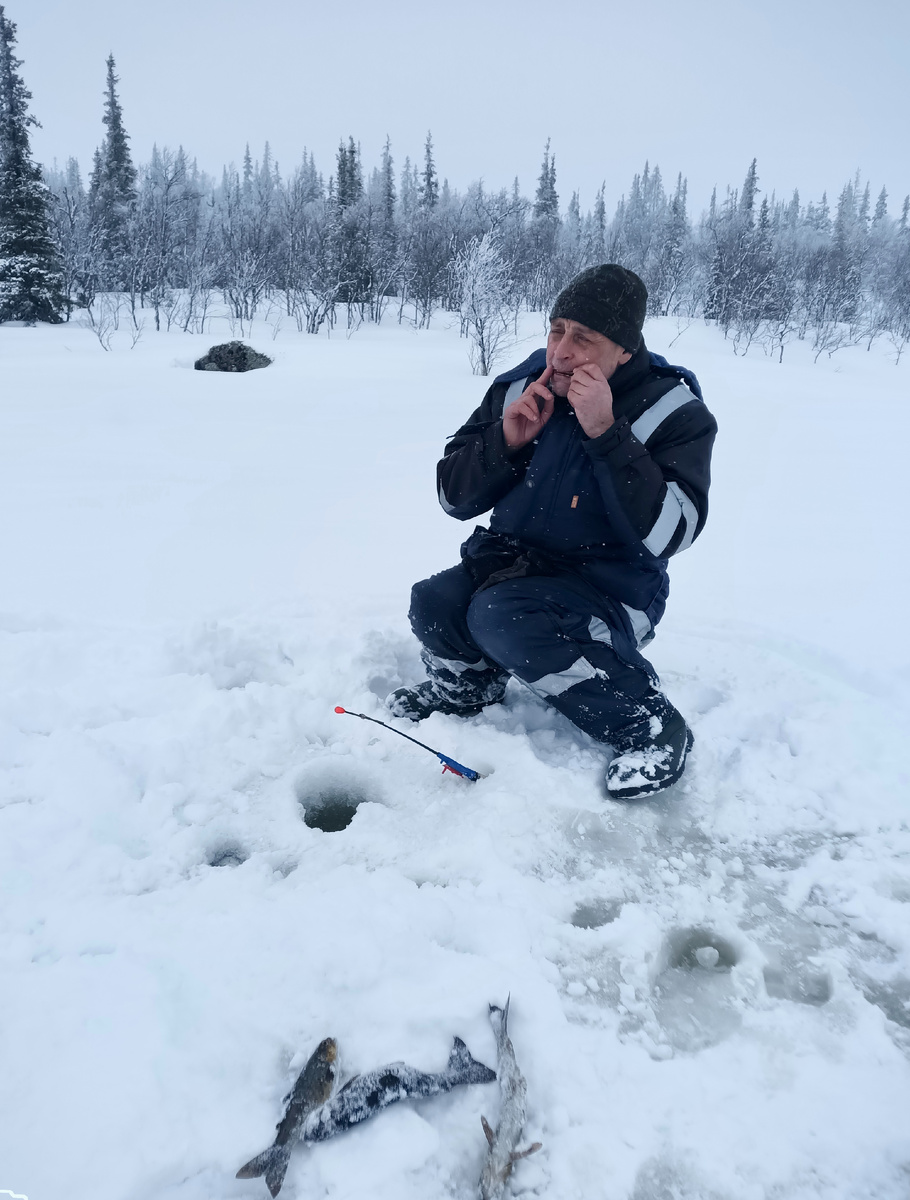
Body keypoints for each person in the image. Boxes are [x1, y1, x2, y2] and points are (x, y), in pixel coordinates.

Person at [388, 264, 717, 799]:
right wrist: (506, 441)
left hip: (610, 590)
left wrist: (607, 434)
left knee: (502, 618)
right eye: (556, 329)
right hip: (513, 565)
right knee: (434, 603)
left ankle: (650, 727)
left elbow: (672, 535)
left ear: (625, 351)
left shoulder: (673, 412)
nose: (560, 351)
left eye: (584, 338)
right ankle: (469, 686)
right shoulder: (522, 386)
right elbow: (453, 498)